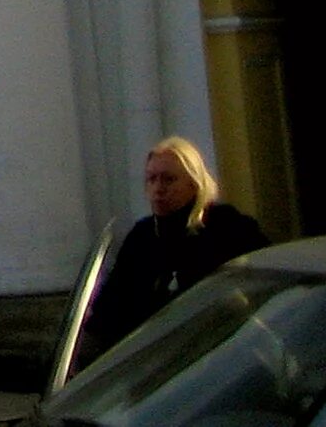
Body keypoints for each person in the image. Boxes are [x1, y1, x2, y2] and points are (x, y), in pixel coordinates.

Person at [80, 136, 272, 361]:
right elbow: (111, 307)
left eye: (168, 180)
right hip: (155, 360)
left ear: (193, 183)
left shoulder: (226, 225)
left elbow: (262, 282)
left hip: (222, 353)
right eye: (151, 180)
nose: (158, 189)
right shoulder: (142, 237)